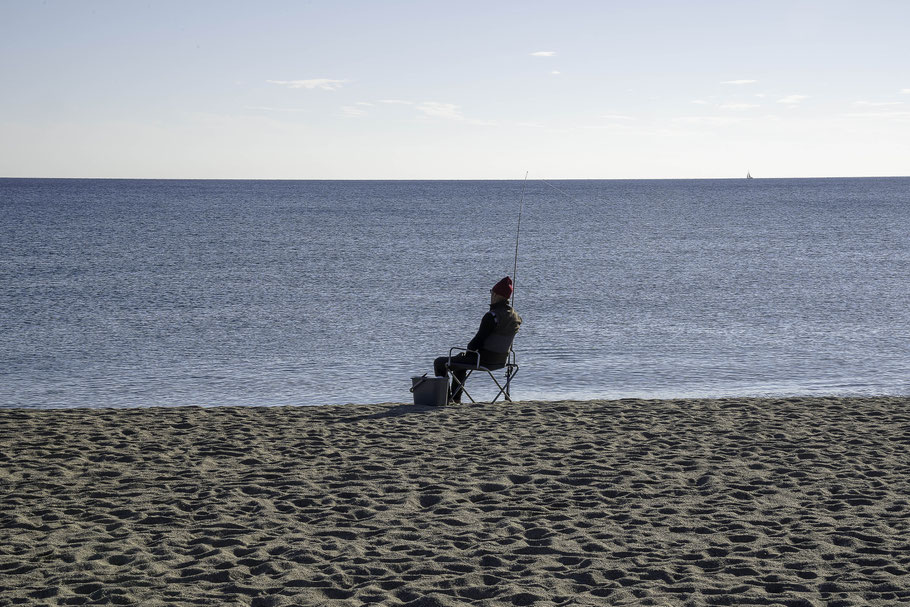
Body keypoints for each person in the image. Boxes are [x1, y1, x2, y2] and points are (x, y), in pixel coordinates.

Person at [433, 277, 522, 403]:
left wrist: (468, 353)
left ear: (496, 295)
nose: (491, 295)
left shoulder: (492, 316)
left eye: (492, 292)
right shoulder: (516, 317)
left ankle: (446, 399)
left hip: (484, 360)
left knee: (440, 362)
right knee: (462, 360)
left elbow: (476, 342)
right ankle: (456, 399)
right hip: (501, 361)